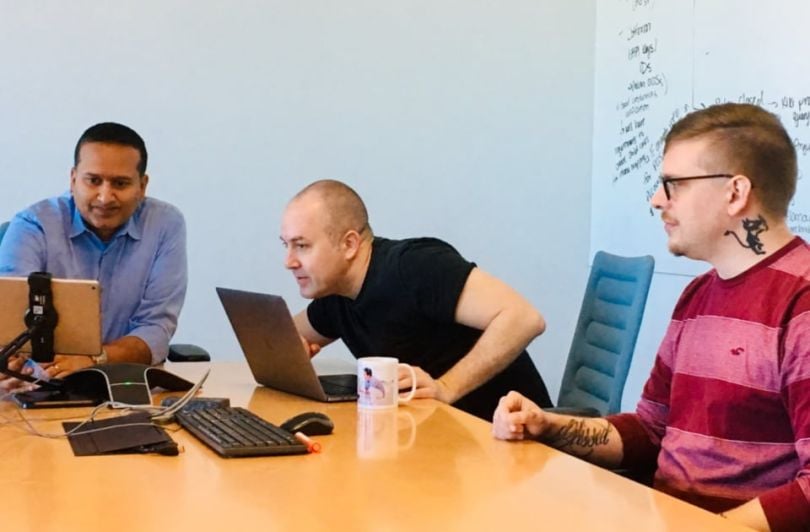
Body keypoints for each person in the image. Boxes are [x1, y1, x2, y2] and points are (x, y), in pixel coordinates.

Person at [492, 103, 810, 532]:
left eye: (674, 184)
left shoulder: (801, 305)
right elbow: (653, 431)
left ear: (735, 193)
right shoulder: (697, 295)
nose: (658, 200)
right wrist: (548, 425)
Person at [280, 179, 553, 421]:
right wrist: (290, 354)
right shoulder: (337, 294)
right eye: (286, 245)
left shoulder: (415, 266)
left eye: (302, 246)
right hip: (442, 441)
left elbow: (525, 319)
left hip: (515, 439)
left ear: (349, 245)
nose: (289, 262)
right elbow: (279, 340)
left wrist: (445, 387)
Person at [0, 122, 187, 388]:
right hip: (37, 384)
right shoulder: (33, 224)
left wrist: (96, 359)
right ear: (73, 179)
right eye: (94, 181)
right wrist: (13, 363)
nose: (105, 197)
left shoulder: (165, 225)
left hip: (125, 385)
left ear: (142, 186)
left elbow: (155, 328)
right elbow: (10, 323)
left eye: (120, 183)